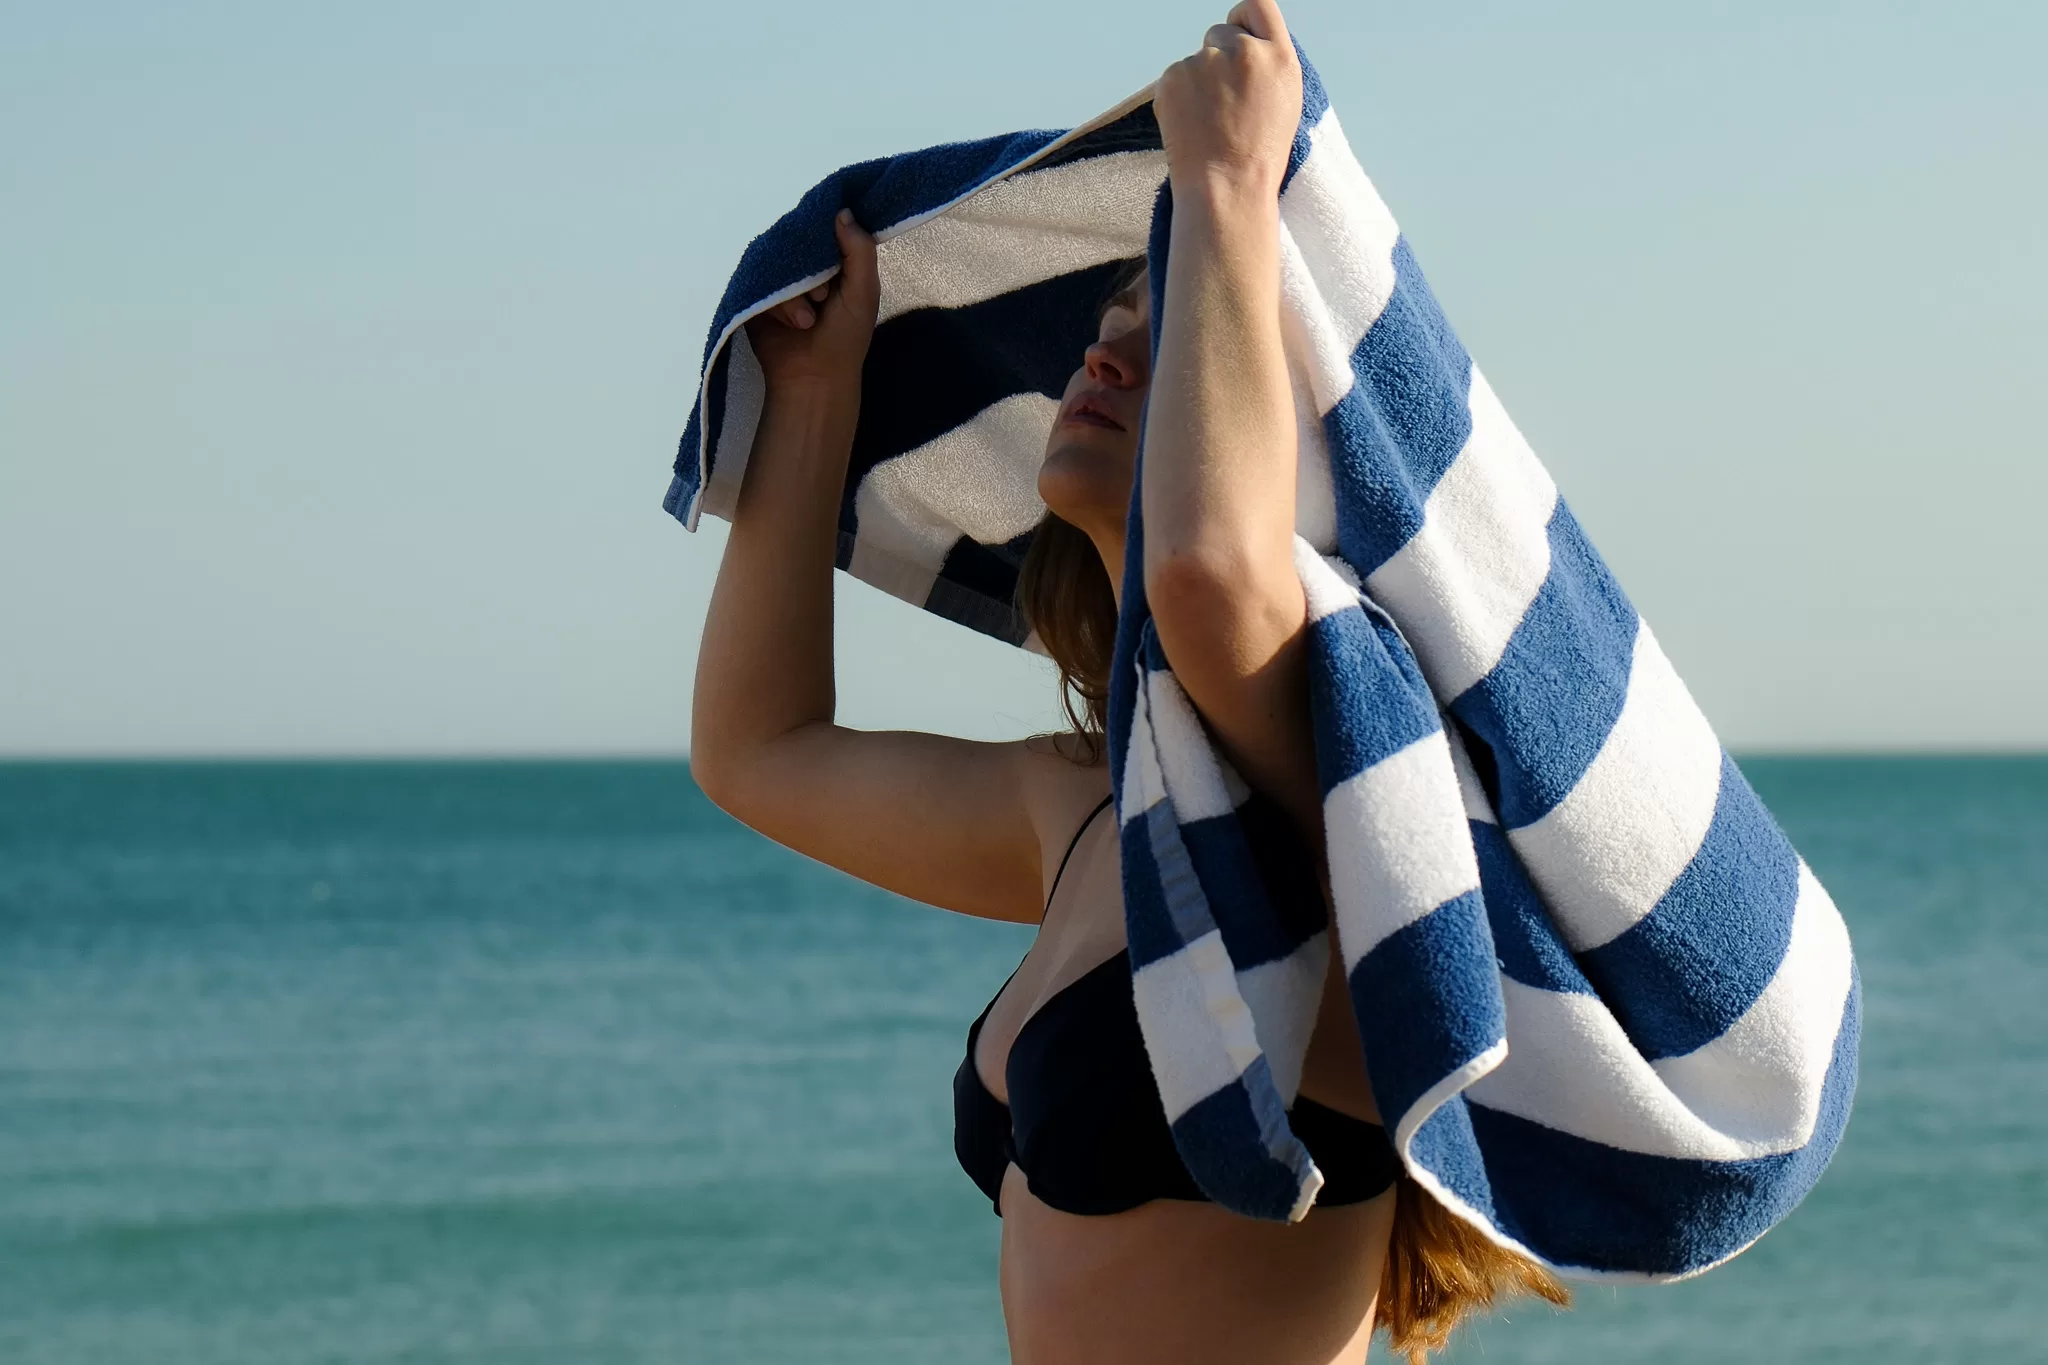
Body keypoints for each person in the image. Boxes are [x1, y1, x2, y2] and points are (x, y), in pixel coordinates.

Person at [690, 3, 1567, 1359]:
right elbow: (759, 753)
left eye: (1177, 333)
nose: (1103, 351)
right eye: (1108, 317)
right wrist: (818, 393)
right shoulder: (1086, 811)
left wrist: (1226, 184)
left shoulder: (1320, 775)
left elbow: (1215, 581)